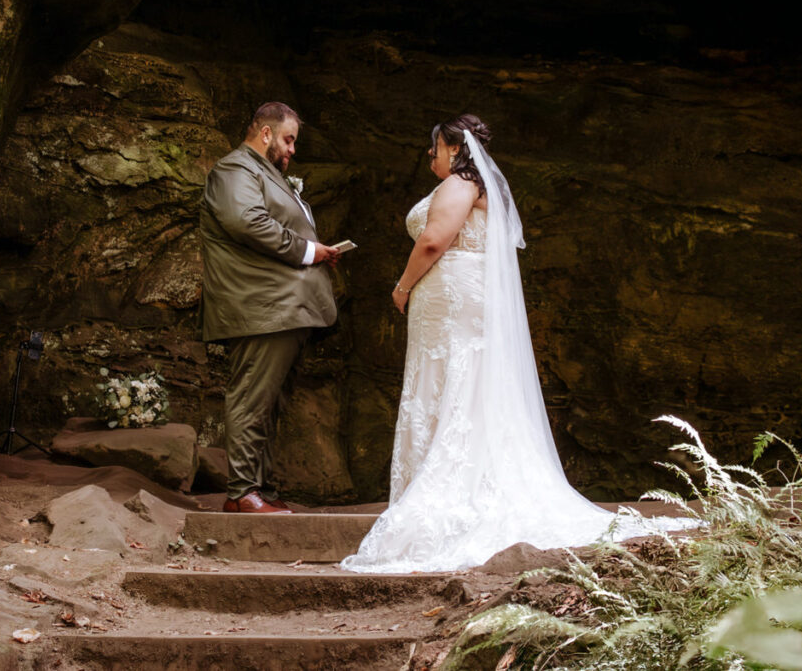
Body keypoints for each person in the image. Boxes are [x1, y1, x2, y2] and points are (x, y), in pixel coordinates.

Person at [341, 114, 697, 572]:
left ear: (453, 147)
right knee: (461, 382)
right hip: (458, 298)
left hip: (452, 298)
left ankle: (453, 494)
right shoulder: (478, 185)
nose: (430, 155)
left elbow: (433, 241)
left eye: (434, 147)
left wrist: (403, 287)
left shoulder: (460, 182)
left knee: (456, 382)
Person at [200, 102, 339, 514]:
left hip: (282, 310)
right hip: (261, 307)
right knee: (250, 400)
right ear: (265, 133)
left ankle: (263, 490)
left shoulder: (262, 172)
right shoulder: (234, 171)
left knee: (269, 403)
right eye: (288, 139)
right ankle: (242, 494)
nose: (292, 149)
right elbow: (247, 222)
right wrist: (308, 251)